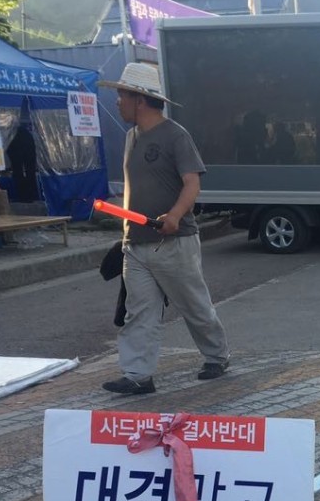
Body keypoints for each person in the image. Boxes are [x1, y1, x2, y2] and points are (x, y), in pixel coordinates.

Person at [98, 62, 229, 395]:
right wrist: (125, 231)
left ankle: (217, 356)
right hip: (136, 242)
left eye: (120, 96)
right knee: (138, 310)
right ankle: (137, 374)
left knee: (193, 305)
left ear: (139, 99)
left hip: (174, 240)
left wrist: (174, 215)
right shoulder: (130, 137)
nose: (117, 102)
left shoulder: (175, 135)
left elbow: (191, 183)